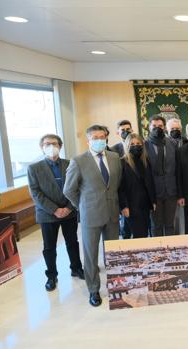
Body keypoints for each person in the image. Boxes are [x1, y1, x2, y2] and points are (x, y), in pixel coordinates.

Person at [63, 125, 122, 307]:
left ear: (106, 138)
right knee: (91, 255)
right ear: (88, 141)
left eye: (102, 136)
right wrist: (82, 205)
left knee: (113, 253)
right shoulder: (79, 161)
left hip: (112, 213)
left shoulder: (114, 158)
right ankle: (94, 289)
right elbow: (69, 190)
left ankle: (115, 286)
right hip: (91, 215)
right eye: (95, 137)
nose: (99, 140)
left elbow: (116, 183)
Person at [27, 134, 84, 292]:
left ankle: (76, 268)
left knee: (72, 242)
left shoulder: (70, 163)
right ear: (42, 147)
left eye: (54, 143)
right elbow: (36, 193)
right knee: (49, 247)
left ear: (60, 146)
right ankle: (51, 275)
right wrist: (55, 210)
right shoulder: (34, 168)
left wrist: (68, 207)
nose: (50, 146)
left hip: (69, 211)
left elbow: (77, 187)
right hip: (47, 214)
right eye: (46, 144)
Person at [145, 114, 179, 236]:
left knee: (170, 225)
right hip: (154, 194)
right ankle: (157, 253)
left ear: (164, 127)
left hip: (171, 192)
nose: (157, 128)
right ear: (148, 127)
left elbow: (177, 169)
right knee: (156, 226)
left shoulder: (172, 144)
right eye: (154, 126)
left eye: (160, 126)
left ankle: (170, 252)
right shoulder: (144, 146)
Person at [118, 133, 156, 239]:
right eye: (132, 144)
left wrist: (153, 201)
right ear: (127, 146)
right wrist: (124, 206)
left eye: (138, 143)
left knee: (144, 233)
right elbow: (120, 188)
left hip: (145, 205)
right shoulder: (122, 163)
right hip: (131, 205)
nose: (136, 146)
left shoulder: (145, 161)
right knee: (138, 234)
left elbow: (150, 183)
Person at [110, 119, 133, 238]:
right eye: (122, 130)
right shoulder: (113, 150)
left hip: (136, 190)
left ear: (132, 130)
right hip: (121, 190)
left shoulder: (138, 144)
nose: (125, 132)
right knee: (126, 224)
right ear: (117, 133)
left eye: (128, 129)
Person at [166, 117, 185, 234]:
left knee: (182, 220)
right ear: (167, 130)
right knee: (170, 221)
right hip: (170, 188)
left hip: (184, 187)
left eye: (177, 128)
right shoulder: (164, 145)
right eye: (172, 128)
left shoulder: (187, 142)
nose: (175, 130)